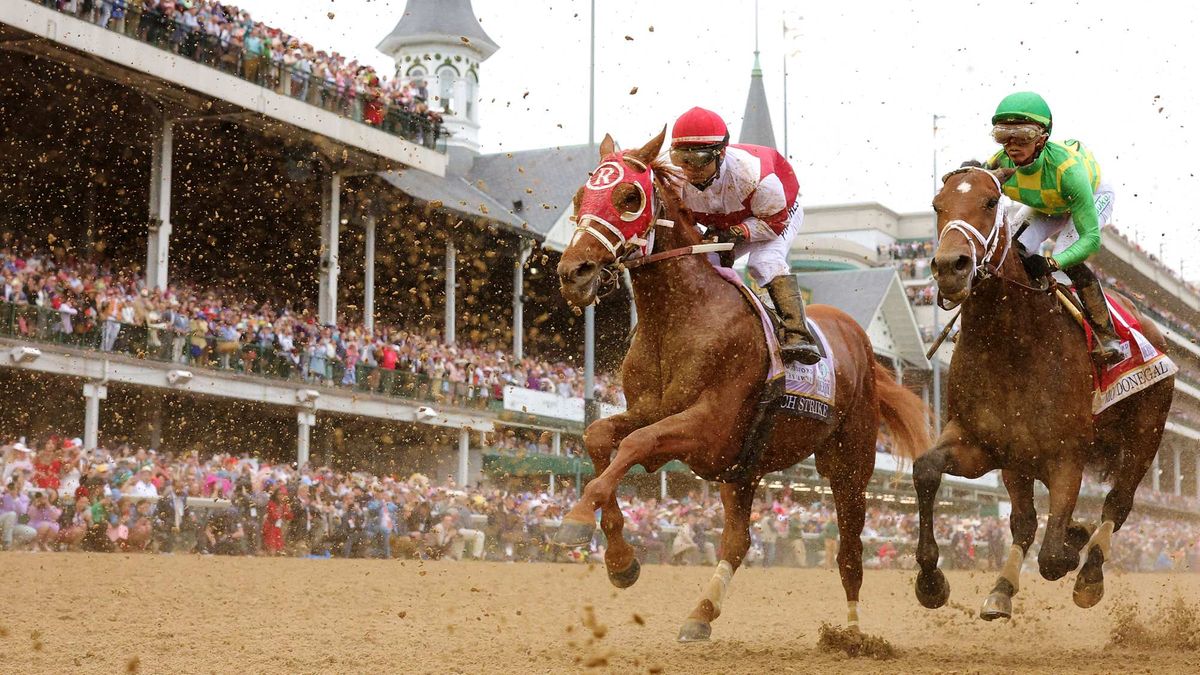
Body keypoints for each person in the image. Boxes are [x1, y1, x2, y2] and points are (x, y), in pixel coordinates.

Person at [669, 106, 821, 365]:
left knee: (763, 262)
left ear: (721, 153)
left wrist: (734, 233)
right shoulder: (674, 178)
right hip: (727, 218)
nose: (688, 169)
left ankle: (798, 333)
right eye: (681, 159)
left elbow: (773, 224)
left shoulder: (756, 178)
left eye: (698, 160)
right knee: (704, 264)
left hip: (776, 214)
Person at [984, 91, 1123, 364]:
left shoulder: (1068, 171)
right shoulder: (997, 164)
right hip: (1046, 204)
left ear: (1042, 138)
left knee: (1066, 256)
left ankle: (1105, 335)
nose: (1011, 146)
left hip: (1089, 196)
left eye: (1022, 136)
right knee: (1011, 251)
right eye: (1003, 135)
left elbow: (1091, 240)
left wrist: (1052, 263)